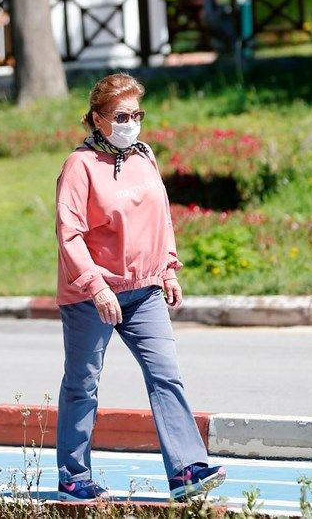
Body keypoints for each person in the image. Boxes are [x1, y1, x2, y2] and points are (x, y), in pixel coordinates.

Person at [54, 72, 226, 502]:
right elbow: (69, 234)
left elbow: (161, 214)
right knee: (83, 384)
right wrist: (96, 287)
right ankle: (73, 477)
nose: (131, 122)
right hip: (93, 295)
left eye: (136, 114)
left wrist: (167, 267)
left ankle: (187, 471)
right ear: (97, 119)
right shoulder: (80, 166)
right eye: (120, 115)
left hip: (144, 288)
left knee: (166, 375)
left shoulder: (143, 155)